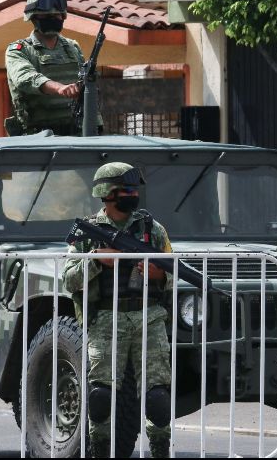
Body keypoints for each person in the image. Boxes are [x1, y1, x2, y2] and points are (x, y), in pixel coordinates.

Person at [62, 162, 172, 458]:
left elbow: (172, 273)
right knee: (100, 399)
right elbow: (68, 280)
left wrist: (158, 275)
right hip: (105, 321)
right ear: (107, 194)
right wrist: (97, 260)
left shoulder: (153, 229)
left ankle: (161, 452)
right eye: (125, 190)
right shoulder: (88, 233)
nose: (132, 195)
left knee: (158, 398)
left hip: (149, 318)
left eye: (134, 190)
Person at [5, 0, 100, 136]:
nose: (54, 18)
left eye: (57, 15)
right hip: (36, 137)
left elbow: (86, 88)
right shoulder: (19, 50)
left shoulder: (72, 47)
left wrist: (96, 124)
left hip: (75, 133)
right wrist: (59, 88)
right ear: (33, 17)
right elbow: (25, 78)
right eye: (47, 15)